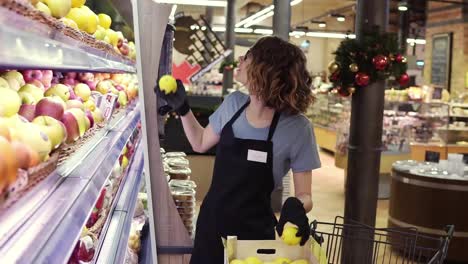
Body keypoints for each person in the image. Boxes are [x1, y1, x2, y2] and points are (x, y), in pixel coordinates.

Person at [156, 36, 321, 263]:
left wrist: (296, 205)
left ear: (264, 68)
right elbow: (200, 143)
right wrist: (184, 109)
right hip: (212, 226)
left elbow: (306, 196)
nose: (240, 60)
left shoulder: (298, 128)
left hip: (253, 237)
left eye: (248, 56)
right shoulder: (233, 104)